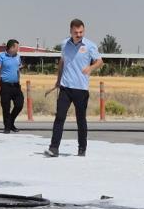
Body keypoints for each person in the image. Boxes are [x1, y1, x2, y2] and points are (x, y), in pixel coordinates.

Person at [44, 19, 103, 157]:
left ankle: (82, 148)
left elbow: (100, 61)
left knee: (80, 119)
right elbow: (62, 62)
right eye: (76, 32)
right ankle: (54, 148)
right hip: (65, 87)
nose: (79, 34)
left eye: (81, 32)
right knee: (59, 117)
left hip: (81, 89)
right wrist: (58, 80)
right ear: (70, 31)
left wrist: (90, 68)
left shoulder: (90, 45)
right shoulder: (64, 44)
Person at [0, 39, 23, 134]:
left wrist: (19, 79)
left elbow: (19, 69)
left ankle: (10, 122)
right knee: (6, 107)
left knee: (19, 104)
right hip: (5, 85)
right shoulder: (1, 57)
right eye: (17, 47)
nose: (18, 49)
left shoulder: (18, 57)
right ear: (12, 47)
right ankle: (7, 127)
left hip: (16, 85)